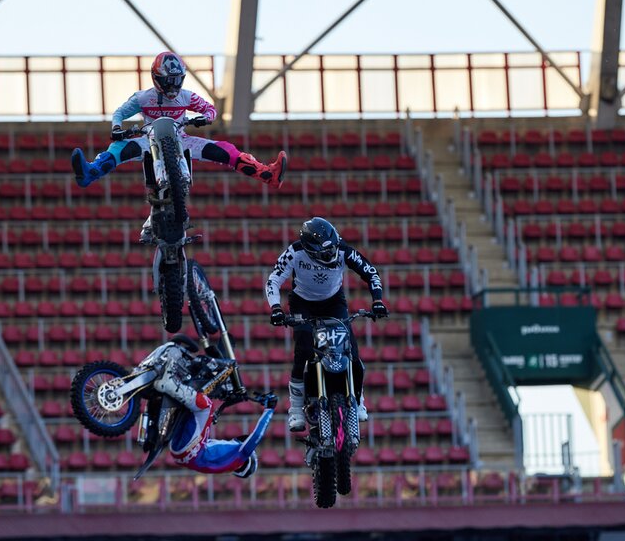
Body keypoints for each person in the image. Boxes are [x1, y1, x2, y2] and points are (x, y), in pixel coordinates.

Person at [71, 51, 288, 244]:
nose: (173, 87)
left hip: (181, 137)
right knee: (118, 147)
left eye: (177, 80)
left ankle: (267, 173)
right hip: (149, 137)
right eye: (168, 81)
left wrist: (205, 118)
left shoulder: (186, 96)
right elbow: (119, 113)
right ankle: (90, 172)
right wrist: (117, 128)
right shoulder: (143, 97)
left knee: (226, 149)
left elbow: (209, 108)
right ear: (157, 79)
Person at [265, 217, 389, 432]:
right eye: (324, 254)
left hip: (333, 302)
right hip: (303, 302)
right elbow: (273, 279)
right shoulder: (295, 252)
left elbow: (370, 272)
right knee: (303, 348)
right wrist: (276, 308)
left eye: (331, 250)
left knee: (351, 350)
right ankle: (295, 409)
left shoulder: (343, 250)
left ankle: (358, 401)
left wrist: (377, 300)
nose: (330, 255)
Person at [148, 335, 276, 477]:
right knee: (193, 409)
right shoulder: (225, 463)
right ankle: (169, 390)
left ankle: (170, 385)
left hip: (190, 450)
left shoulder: (241, 456)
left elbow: (257, 435)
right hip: (181, 453)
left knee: (206, 406)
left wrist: (269, 409)